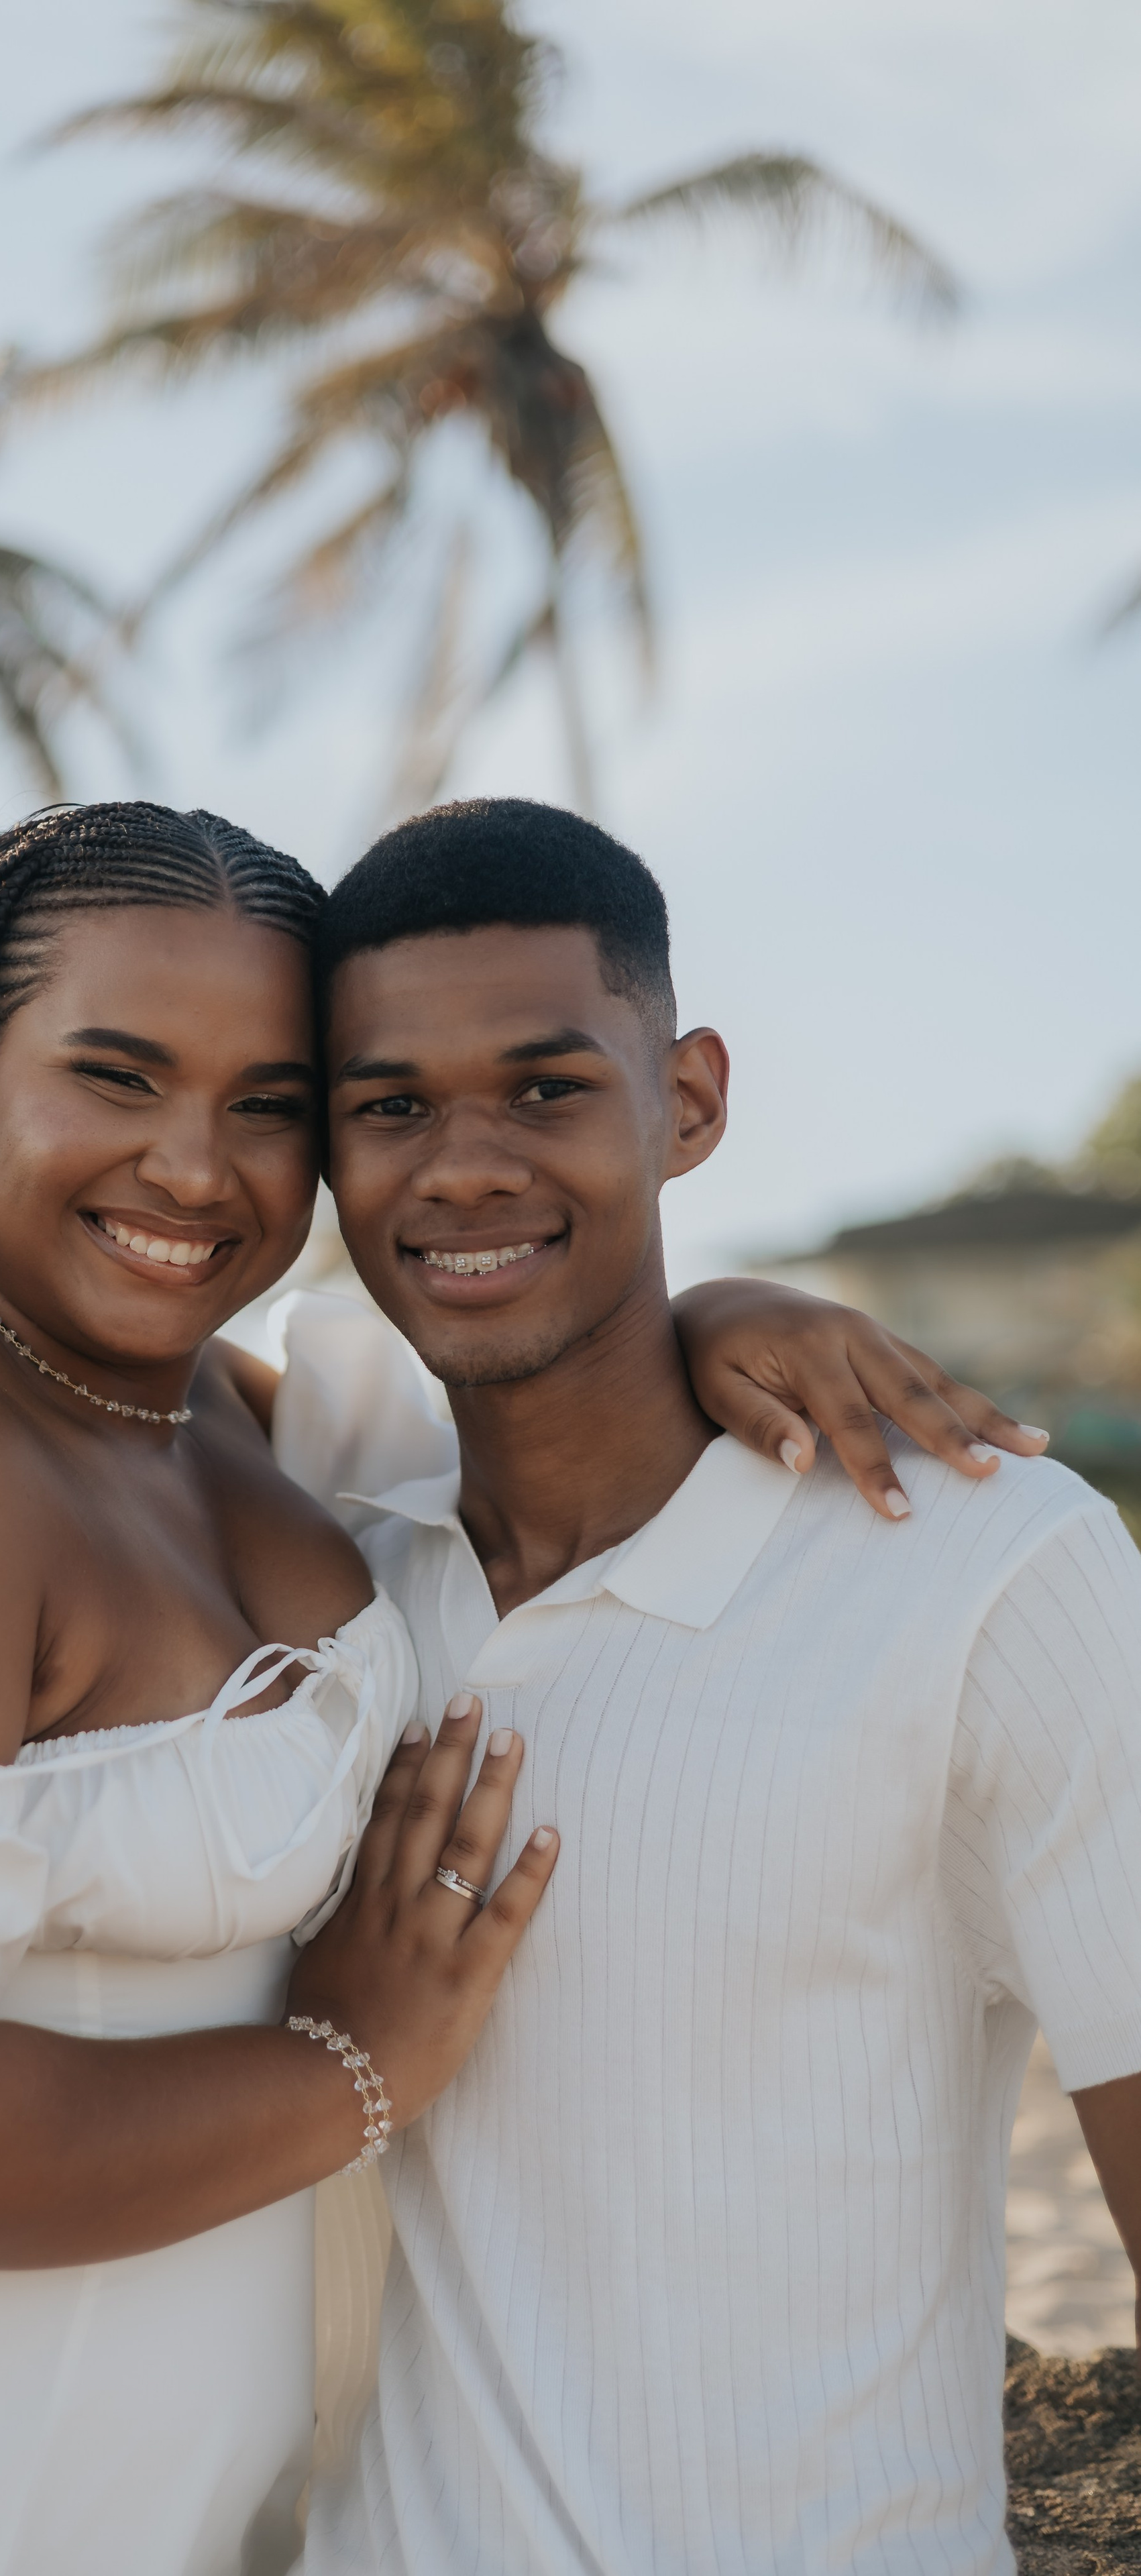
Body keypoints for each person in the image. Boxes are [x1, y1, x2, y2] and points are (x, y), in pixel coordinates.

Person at [0, 801, 1040, 2576]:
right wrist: (356, 2063)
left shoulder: (232, 1418)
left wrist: (718, 1318)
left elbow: (538, 1421)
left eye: (270, 1103)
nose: (197, 1170)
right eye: (115, 1077)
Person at [266, 798, 1141, 2573]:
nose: (464, 1167)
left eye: (546, 1087)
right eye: (391, 1107)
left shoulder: (990, 1567)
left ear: (689, 1102)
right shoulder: (318, 1548)